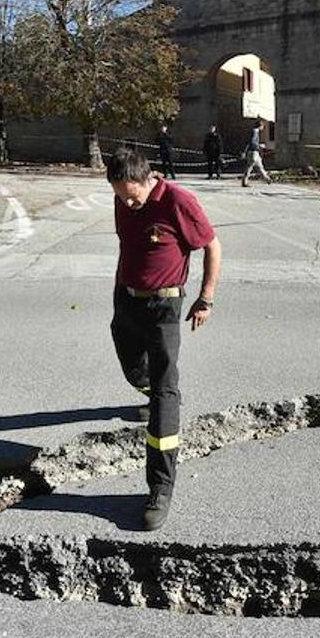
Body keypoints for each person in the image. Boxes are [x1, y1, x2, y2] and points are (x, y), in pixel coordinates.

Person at [107, 147, 222, 530]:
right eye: (120, 194)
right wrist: (121, 289)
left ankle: (160, 488)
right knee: (129, 362)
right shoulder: (123, 199)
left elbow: (212, 245)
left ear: (147, 179)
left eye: (131, 194)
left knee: (165, 394)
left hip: (163, 308)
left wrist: (205, 298)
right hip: (127, 298)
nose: (126, 201)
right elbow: (129, 245)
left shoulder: (178, 201)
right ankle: (151, 393)